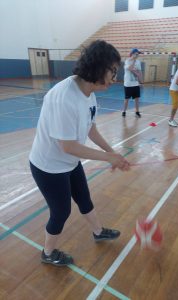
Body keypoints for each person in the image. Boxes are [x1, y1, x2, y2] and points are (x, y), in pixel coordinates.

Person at [29, 40, 130, 267]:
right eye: (113, 71)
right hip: (49, 166)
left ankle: (97, 231)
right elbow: (69, 146)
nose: (115, 78)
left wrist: (112, 152)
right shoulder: (64, 97)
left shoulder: (89, 92)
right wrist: (107, 158)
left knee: (84, 198)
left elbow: (90, 128)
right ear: (98, 67)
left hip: (69, 162)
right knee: (61, 211)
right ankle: (48, 252)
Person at [122, 48, 143, 118]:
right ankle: (124, 111)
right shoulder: (127, 61)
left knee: (137, 99)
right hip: (128, 84)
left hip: (136, 84)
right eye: (136, 54)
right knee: (126, 99)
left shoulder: (138, 62)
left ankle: (137, 112)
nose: (137, 55)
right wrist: (133, 60)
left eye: (138, 54)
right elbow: (130, 68)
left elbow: (140, 72)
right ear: (133, 54)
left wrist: (141, 82)